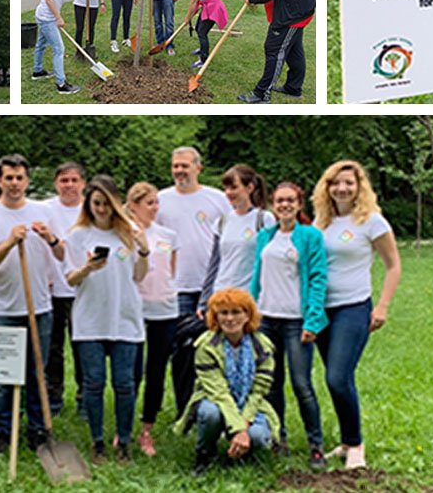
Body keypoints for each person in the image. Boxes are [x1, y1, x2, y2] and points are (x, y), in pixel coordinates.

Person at [0, 154, 65, 454]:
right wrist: (9, 243)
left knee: (38, 373)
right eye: (8, 178)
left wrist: (51, 238)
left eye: (19, 177)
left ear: (27, 180)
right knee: (2, 377)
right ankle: (4, 432)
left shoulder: (43, 211)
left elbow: (63, 255)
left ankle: (38, 431)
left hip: (39, 307)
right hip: (2, 309)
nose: (14, 183)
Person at [311, 161, 402, 470]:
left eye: (348, 183)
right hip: (321, 310)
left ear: (359, 186)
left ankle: (357, 445)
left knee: (337, 377)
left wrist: (383, 306)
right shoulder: (319, 223)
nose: (342, 188)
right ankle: (347, 441)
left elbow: (394, 265)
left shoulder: (372, 221)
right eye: (335, 183)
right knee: (337, 379)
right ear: (327, 188)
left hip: (353, 307)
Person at [64, 178, 149, 465]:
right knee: (94, 383)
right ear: (88, 204)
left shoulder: (129, 232)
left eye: (105, 203)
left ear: (115, 203)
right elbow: (69, 278)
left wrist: (145, 250)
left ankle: (124, 441)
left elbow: (139, 275)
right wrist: (87, 268)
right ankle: (98, 442)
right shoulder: (78, 235)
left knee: (125, 383)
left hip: (124, 317)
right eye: (95, 203)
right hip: (90, 319)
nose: (101, 209)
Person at [249, 181, 329, 470]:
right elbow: (256, 276)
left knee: (301, 383)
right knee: (272, 384)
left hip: (296, 322)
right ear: (272, 204)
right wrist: (251, 312)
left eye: (290, 200)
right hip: (266, 320)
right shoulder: (264, 237)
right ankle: (277, 437)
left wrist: (313, 319)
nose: (284, 205)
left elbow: (319, 278)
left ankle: (315, 444)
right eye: (279, 200)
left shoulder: (310, 236)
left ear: (299, 204)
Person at [155, 146, 233, 415]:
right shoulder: (161, 199)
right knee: (182, 351)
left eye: (185, 166)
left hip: (213, 287)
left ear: (198, 168)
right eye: (175, 166)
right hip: (175, 288)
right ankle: (184, 408)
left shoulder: (217, 199)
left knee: (216, 348)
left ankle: (217, 405)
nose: (179, 171)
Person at [174, 289, 278, 476]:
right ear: (215, 316)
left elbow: (259, 391)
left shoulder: (263, 346)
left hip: (249, 403)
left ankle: (244, 454)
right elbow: (218, 393)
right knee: (210, 413)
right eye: (224, 313)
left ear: (248, 315)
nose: (230, 319)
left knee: (259, 437)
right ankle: (205, 454)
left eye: (236, 312)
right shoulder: (206, 346)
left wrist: (244, 424)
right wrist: (239, 429)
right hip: (216, 400)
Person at [124, 181, 178, 457]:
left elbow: (170, 269)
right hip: (134, 308)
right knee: (132, 372)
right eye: (149, 203)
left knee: (156, 371)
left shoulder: (168, 234)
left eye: (157, 202)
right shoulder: (123, 234)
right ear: (133, 205)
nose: (155, 208)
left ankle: (147, 429)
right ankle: (124, 428)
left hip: (165, 308)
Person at [42, 162, 87, 418]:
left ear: (83, 183)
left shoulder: (90, 208)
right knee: (53, 348)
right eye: (63, 180)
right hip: (52, 288)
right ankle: (53, 398)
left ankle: (84, 398)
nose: (69, 185)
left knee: (82, 347)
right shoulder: (46, 209)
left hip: (83, 288)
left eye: (73, 180)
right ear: (56, 183)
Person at [198, 164, 276, 307]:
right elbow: (215, 263)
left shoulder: (264, 219)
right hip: (221, 294)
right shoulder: (222, 222)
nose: (228, 193)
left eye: (234, 187)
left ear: (249, 188)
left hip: (248, 297)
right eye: (226, 188)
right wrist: (204, 300)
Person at [32, 0, 79, 95]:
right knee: (59, 49)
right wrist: (58, 17)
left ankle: (37, 71)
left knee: (41, 44)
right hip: (47, 18)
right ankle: (61, 84)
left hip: (45, 16)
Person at [181, 0, 229, 69]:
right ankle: (202, 49)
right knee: (198, 28)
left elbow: (193, 3)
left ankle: (203, 58)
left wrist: (187, 18)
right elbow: (197, 1)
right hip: (208, 6)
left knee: (202, 32)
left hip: (213, 8)